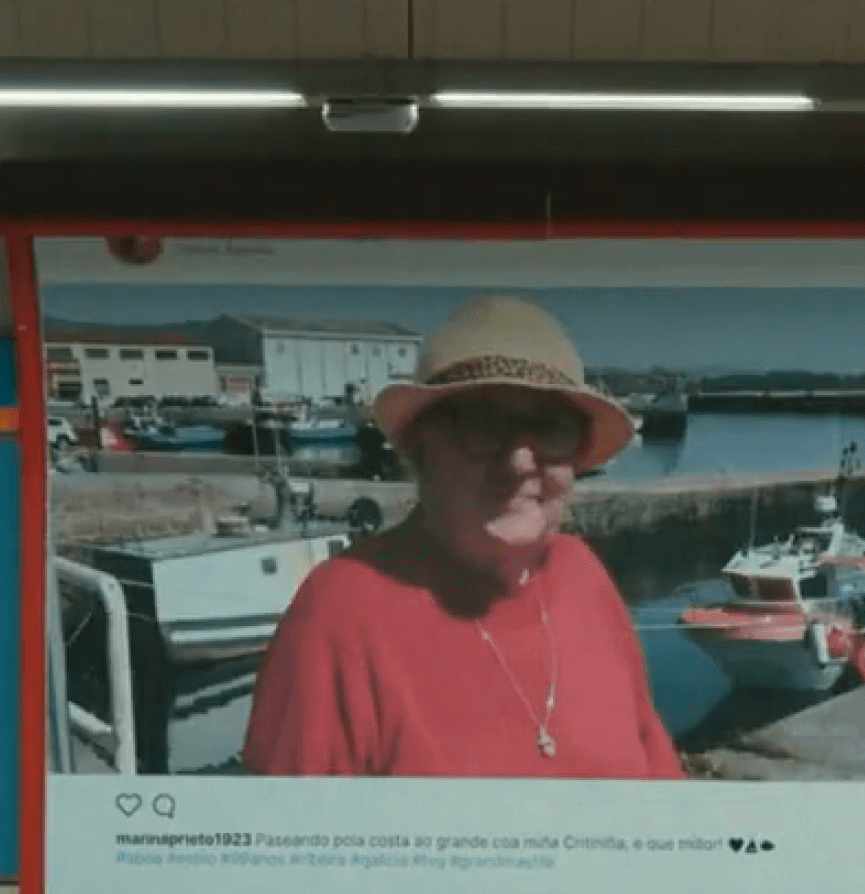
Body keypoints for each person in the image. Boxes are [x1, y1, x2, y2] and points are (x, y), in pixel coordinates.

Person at [241, 294, 684, 779]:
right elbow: (293, 846)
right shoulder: (341, 614)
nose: (520, 461)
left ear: (576, 453)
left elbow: (660, 784)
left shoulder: (584, 575)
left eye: (550, 426)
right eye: (482, 423)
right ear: (420, 445)